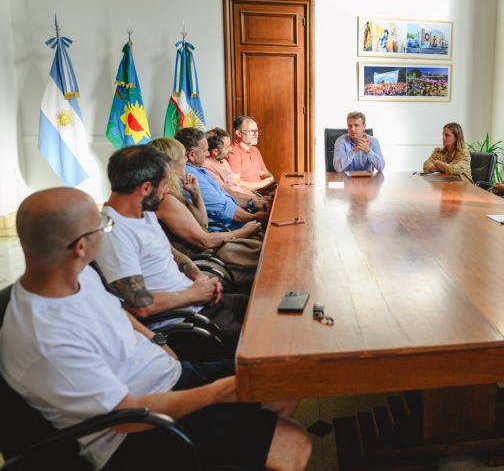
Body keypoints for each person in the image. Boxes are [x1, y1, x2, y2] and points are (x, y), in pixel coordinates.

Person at [0, 187, 311, 471]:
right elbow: (127, 418)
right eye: (102, 227)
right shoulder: (47, 339)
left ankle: (243, 449)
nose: (107, 231)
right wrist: (217, 393)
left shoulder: (72, 274)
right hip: (135, 433)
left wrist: (155, 338)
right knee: (294, 445)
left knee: (281, 381)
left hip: (168, 379)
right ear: (80, 246)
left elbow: (117, 311)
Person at [94, 145, 249, 358]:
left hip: (196, 301)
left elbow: (174, 255)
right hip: (184, 321)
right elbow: (141, 306)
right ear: (146, 188)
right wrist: (195, 293)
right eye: (165, 185)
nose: (167, 192)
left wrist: (201, 278)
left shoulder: (144, 213)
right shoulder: (113, 233)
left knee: (264, 307)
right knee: (265, 342)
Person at [148, 137, 262, 287]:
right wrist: (244, 232)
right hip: (202, 264)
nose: (186, 161)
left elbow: (203, 225)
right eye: (183, 157)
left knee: (264, 262)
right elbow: (204, 241)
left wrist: (196, 194)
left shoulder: (175, 192)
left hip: (208, 257)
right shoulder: (166, 201)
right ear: (172, 164)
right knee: (265, 270)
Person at [175, 127, 270, 231]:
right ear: (192, 155)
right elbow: (224, 210)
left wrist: (253, 202)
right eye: (206, 151)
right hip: (229, 229)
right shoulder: (191, 176)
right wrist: (255, 217)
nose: (207, 154)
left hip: (237, 221)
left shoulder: (198, 170)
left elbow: (226, 195)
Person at [204, 127, 270, 207]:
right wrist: (255, 201)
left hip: (248, 201)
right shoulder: (206, 168)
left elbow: (237, 185)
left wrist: (258, 198)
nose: (231, 149)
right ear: (215, 151)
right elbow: (227, 192)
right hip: (238, 206)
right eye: (228, 147)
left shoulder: (223, 161)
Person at [227, 115, 276, 194]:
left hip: (263, 192)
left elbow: (263, 171)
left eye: (256, 131)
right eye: (251, 131)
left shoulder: (254, 150)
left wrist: (270, 178)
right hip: (250, 196)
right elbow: (235, 183)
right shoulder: (233, 152)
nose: (256, 134)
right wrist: (262, 184)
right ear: (239, 133)